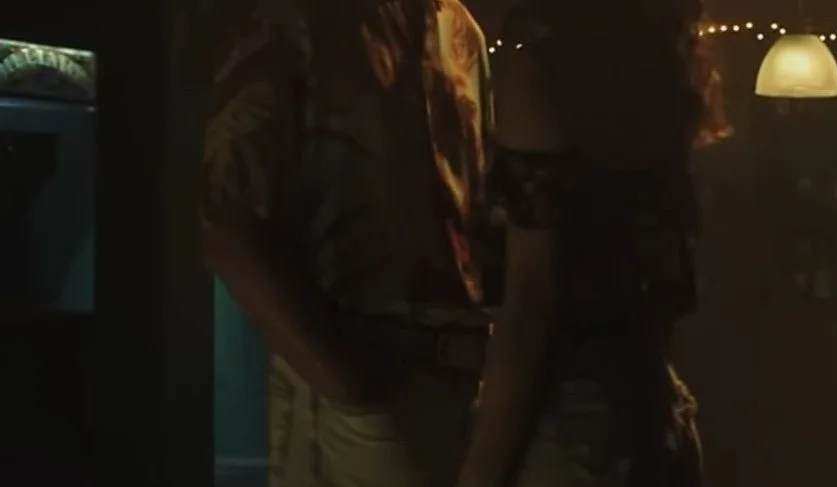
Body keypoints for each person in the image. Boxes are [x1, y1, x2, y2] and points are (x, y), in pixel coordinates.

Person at [200, 0, 495, 485]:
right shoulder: (296, 17)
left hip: (461, 397)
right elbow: (228, 227)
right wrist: (354, 393)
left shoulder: (461, 30)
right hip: (366, 393)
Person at [452, 1, 731, 486]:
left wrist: (477, 475)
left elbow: (532, 307)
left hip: (572, 435)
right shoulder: (650, 68)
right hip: (654, 412)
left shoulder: (540, 69)